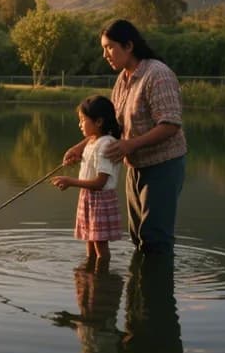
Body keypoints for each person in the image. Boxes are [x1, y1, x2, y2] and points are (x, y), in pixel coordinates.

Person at [64, 19, 187, 255]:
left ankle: (156, 289)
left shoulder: (157, 75)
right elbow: (114, 123)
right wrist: (81, 146)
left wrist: (130, 144)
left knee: (155, 237)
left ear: (128, 45)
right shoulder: (122, 79)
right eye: (103, 48)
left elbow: (170, 124)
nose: (105, 54)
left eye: (109, 47)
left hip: (163, 165)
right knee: (137, 234)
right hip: (135, 165)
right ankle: (137, 290)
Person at [52, 95, 123, 263]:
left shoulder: (106, 145)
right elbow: (90, 169)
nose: (80, 124)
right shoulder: (92, 141)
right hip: (88, 197)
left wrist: (70, 182)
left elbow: (100, 182)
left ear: (98, 122)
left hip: (100, 200)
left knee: (100, 247)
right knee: (89, 243)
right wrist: (76, 158)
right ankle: (90, 278)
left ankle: (102, 282)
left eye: (83, 120)